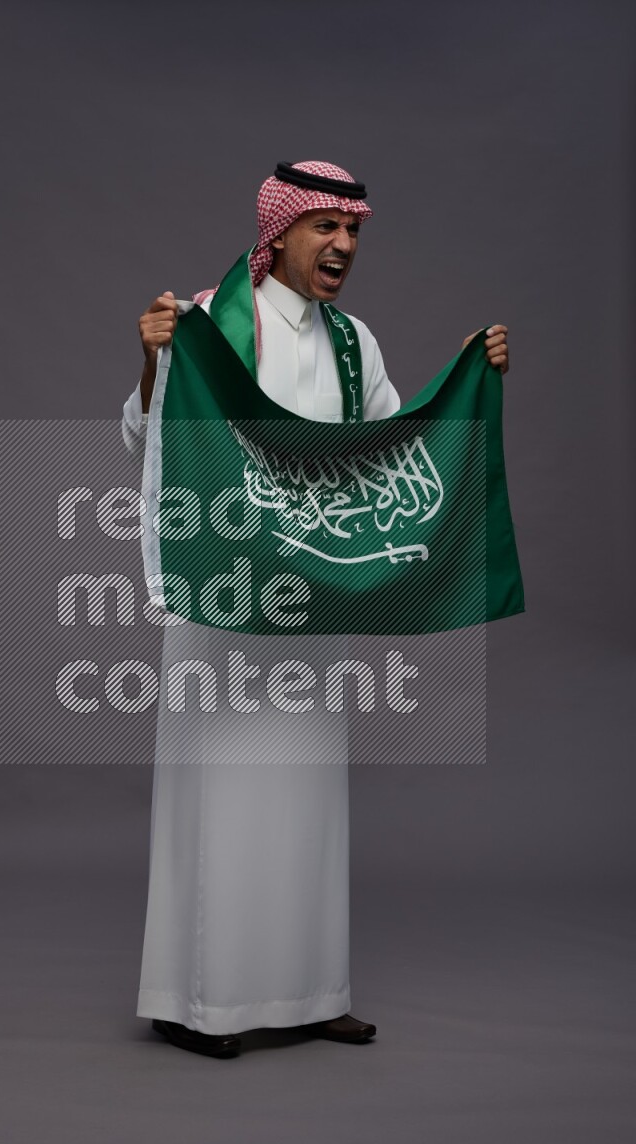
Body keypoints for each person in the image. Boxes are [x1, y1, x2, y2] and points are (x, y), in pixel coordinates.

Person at [121, 161, 509, 1058]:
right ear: (280, 231)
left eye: (355, 230)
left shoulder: (353, 341)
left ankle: (311, 990)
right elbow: (144, 439)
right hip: (223, 604)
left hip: (308, 604)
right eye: (327, 226)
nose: (343, 245)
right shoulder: (205, 326)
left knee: (307, 802)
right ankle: (200, 1002)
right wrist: (150, 358)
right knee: (220, 800)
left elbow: (390, 449)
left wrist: (467, 381)